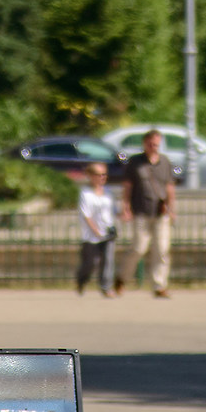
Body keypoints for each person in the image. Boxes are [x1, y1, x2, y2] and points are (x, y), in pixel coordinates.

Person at [117, 127, 179, 298]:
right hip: (141, 211)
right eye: (151, 144)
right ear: (144, 144)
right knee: (138, 248)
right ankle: (122, 279)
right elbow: (128, 186)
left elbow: (169, 186)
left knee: (162, 250)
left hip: (161, 213)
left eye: (157, 145)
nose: (154, 147)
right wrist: (125, 207)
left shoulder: (165, 162)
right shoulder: (135, 162)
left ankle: (159, 286)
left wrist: (172, 208)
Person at [76, 161, 119, 297]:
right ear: (90, 176)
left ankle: (106, 287)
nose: (102, 178)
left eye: (104, 175)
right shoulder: (85, 194)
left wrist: (124, 214)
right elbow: (86, 215)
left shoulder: (108, 192)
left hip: (108, 232)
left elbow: (113, 210)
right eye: (99, 175)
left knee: (108, 260)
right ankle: (82, 280)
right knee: (91, 263)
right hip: (91, 235)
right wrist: (96, 231)